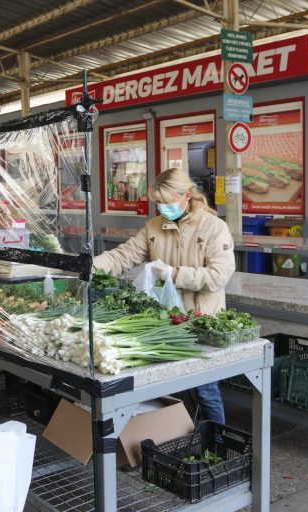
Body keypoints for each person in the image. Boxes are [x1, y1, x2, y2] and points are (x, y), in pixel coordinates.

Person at [93, 168, 235, 424]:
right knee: (163, 385)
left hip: (203, 323)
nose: (162, 208)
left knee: (206, 390)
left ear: (186, 196)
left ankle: (218, 440)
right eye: (158, 202)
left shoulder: (214, 228)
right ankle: (170, 434)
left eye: (167, 202)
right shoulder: (153, 228)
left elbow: (218, 276)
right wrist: (92, 267)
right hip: (167, 321)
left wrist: (175, 273)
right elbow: (123, 256)